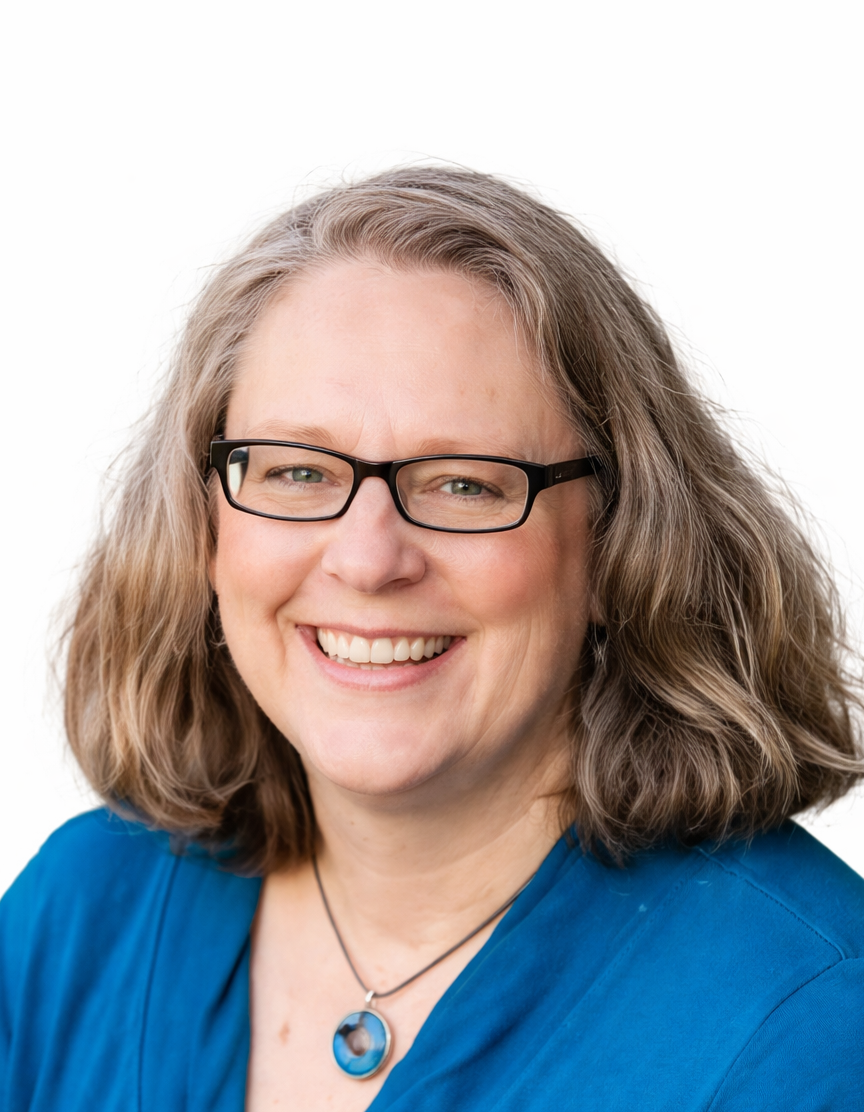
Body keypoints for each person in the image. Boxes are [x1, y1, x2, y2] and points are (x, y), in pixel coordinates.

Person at [1, 166, 863, 1112]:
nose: (369, 561)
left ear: (621, 549)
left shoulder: (807, 1027)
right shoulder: (81, 915)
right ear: (204, 529)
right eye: (295, 471)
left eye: (466, 483)